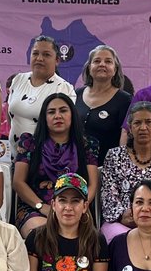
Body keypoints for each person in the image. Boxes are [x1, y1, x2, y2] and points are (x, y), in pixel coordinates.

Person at [13, 92, 99, 236]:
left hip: (76, 209)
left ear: (72, 114)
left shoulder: (87, 145)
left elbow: (92, 185)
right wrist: (42, 207)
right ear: (44, 118)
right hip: (36, 208)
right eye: (51, 112)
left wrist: (79, 208)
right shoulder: (29, 143)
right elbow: (18, 182)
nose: (57, 116)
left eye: (63, 111)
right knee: (42, 232)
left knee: (80, 233)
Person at [99, 101, 151, 243]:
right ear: (130, 128)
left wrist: (150, 218)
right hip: (121, 222)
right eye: (137, 123)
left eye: (148, 122)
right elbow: (108, 195)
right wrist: (123, 215)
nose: (143, 127)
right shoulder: (114, 156)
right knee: (119, 239)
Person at [7, 35, 75, 156]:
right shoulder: (18, 80)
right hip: (15, 156)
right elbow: (11, 115)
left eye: (46, 55)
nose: (39, 58)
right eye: (35, 53)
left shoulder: (63, 88)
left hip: (45, 160)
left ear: (57, 60)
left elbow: (64, 130)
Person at [76, 44, 132, 164]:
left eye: (108, 61)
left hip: (107, 169)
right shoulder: (76, 94)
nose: (102, 64)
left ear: (115, 69)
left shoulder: (124, 100)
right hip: (74, 166)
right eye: (97, 61)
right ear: (89, 68)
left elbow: (126, 138)